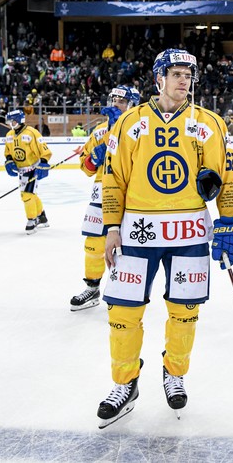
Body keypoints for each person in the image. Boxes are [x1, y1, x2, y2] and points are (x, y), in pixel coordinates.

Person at [97, 49, 233, 428]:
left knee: (185, 311)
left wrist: (229, 222)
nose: (183, 81)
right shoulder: (129, 122)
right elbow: (112, 178)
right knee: (123, 314)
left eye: (188, 75)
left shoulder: (210, 124)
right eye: (176, 74)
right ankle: (124, 383)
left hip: (189, 232)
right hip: (137, 232)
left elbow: (228, 176)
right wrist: (111, 227)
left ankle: (174, 372)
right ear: (158, 78)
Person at [70, 85, 141, 312]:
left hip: (130, 194)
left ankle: (123, 289)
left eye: (121, 101)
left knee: (128, 244)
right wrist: (94, 157)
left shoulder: (139, 129)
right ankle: (92, 287)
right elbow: (86, 167)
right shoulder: (99, 131)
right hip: (100, 194)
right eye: (113, 99)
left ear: (132, 104)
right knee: (93, 245)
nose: (115, 104)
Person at [3, 109, 52, 234]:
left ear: (19, 120)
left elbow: (44, 150)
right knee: (30, 194)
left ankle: (32, 219)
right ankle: (42, 216)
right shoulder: (9, 135)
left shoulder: (32, 133)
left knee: (27, 195)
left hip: (33, 168)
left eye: (13, 121)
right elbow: (8, 152)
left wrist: (43, 162)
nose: (10, 124)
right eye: (9, 122)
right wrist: (8, 160)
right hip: (21, 170)